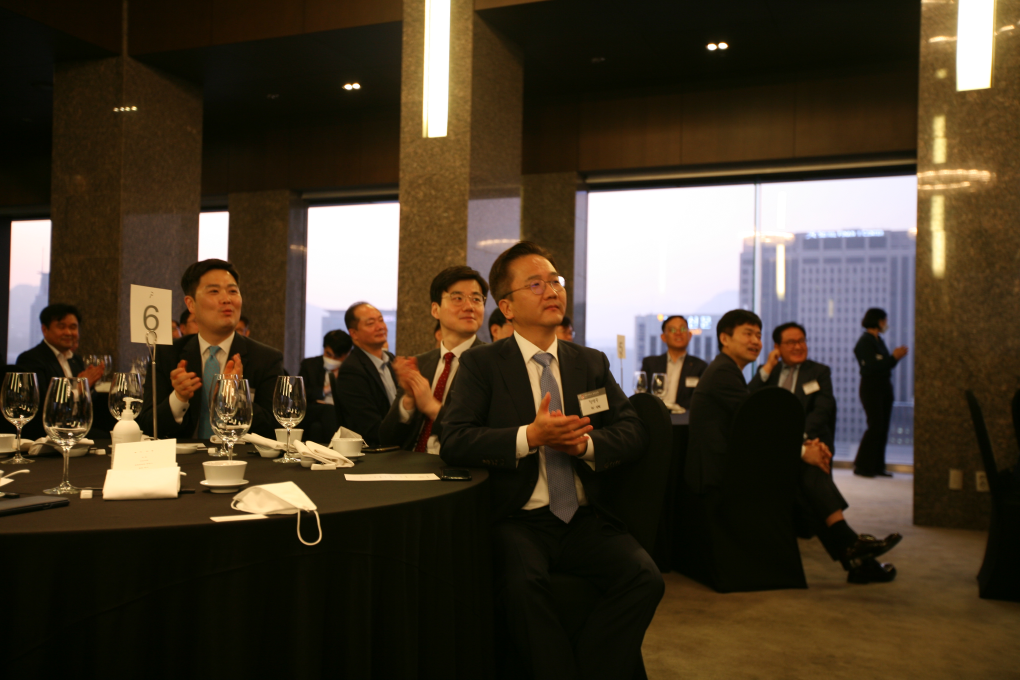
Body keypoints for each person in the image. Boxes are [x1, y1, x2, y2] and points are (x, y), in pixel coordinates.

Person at [441, 241, 663, 679]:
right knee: (524, 588)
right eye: (536, 284)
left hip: (585, 518)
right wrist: (530, 436)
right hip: (518, 518)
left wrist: (585, 446)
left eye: (556, 282)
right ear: (507, 307)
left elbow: (633, 430)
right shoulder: (484, 364)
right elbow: (455, 439)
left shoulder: (590, 362)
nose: (552, 291)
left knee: (646, 579)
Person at [687, 310, 902, 584]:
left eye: (758, 335)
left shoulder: (730, 369)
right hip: (719, 470)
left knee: (802, 476)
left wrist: (805, 447)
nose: (755, 341)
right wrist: (802, 451)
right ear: (724, 338)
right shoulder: (724, 372)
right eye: (748, 334)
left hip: (735, 460)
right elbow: (757, 422)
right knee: (804, 469)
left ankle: (854, 554)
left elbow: (811, 413)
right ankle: (851, 547)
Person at [138, 259, 285, 439]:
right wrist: (178, 398)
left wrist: (236, 400)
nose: (227, 299)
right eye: (214, 291)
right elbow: (147, 425)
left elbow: (276, 430)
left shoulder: (266, 358)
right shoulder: (166, 353)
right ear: (191, 304)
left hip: (238, 455)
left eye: (233, 291)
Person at [379, 266, 487, 453]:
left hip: (455, 464)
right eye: (458, 298)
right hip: (408, 462)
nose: (469, 306)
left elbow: (484, 436)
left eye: (476, 299)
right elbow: (386, 439)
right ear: (435, 310)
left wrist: (432, 407)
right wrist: (408, 401)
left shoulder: (491, 362)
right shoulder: (420, 363)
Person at [16, 304, 105, 439]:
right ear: (45, 329)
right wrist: (78, 388)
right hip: (46, 433)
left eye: (73, 327)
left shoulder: (75, 360)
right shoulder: (31, 359)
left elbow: (90, 405)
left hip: (76, 427)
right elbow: (41, 405)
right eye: (61, 327)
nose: (68, 333)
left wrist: (89, 387)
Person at [750, 322, 836, 453]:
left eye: (801, 341)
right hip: (771, 440)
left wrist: (798, 437)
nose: (798, 347)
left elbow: (822, 410)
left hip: (809, 439)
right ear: (777, 347)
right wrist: (768, 366)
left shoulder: (819, 372)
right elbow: (748, 398)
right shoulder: (769, 370)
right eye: (791, 342)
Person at [853, 308, 908, 478]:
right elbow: (872, 366)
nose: (886, 324)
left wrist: (892, 359)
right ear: (877, 321)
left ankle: (877, 466)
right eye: (884, 320)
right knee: (875, 426)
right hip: (871, 387)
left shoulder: (879, 340)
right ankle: (862, 466)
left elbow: (884, 364)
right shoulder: (865, 341)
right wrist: (893, 358)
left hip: (884, 386)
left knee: (883, 427)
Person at [334, 301, 397, 446]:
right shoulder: (352, 370)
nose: (380, 327)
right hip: (378, 450)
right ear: (354, 333)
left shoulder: (393, 360)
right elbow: (371, 429)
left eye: (381, 320)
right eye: (371, 323)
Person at [640, 314, 708, 410]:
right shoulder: (650, 363)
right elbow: (643, 395)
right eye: (672, 330)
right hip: (655, 415)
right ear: (663, 337)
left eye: (683, 329)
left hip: (685, 417)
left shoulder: (700, 366)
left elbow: (701, 399)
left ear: (689, 335)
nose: (678, 333)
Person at [298, 329, 353, 442]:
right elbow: (299, 394)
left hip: (340, 412)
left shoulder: (352, 370)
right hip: (315, 409)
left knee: (317, 428)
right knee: (328, 410)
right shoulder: (310, 365)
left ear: (347, 354)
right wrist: (326, 390)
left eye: (337, 357)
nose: (331, 359)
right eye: (328, 354)